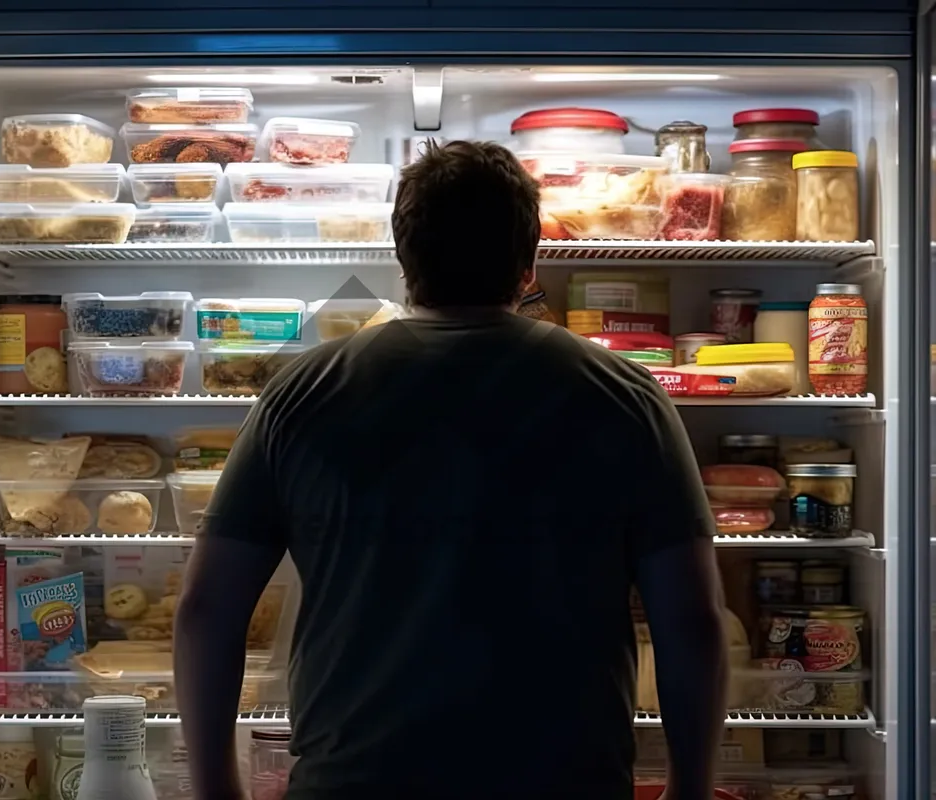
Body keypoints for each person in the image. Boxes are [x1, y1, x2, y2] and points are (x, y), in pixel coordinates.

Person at [175, 140, 729, 800]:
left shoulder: (303, 393)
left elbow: (209, 608)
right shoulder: (625, 396)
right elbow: (691, 619)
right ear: (530, 261)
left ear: (404, 255)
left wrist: (215, 790)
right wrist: (690, 789)